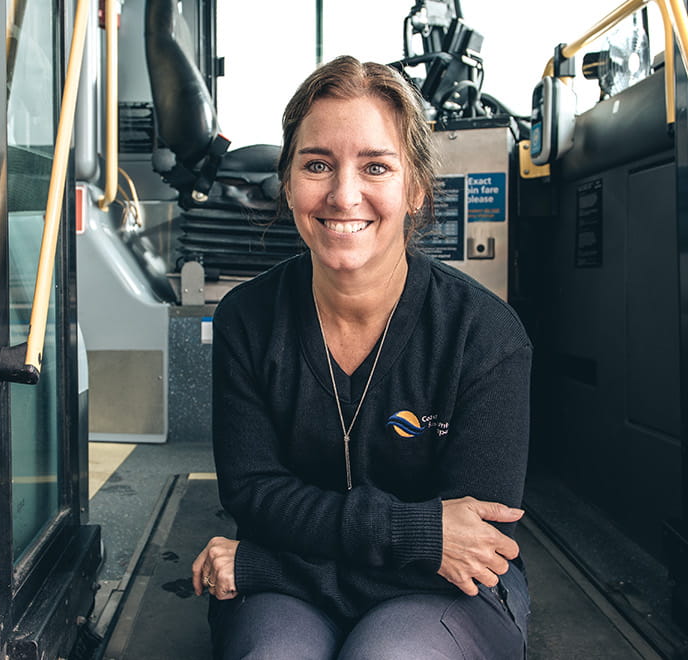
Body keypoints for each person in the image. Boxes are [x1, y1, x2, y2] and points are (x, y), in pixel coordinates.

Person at [191, 55, 532, 659]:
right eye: (317, 164)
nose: (344, 194)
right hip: (292, 595)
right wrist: (422, 533)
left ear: (416, 188)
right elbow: (255, 496)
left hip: (441, 594)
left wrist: (266, 568)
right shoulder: (248, 320)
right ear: (289, 182)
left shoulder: (483, 336)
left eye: (375, 166)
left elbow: (475, 549)